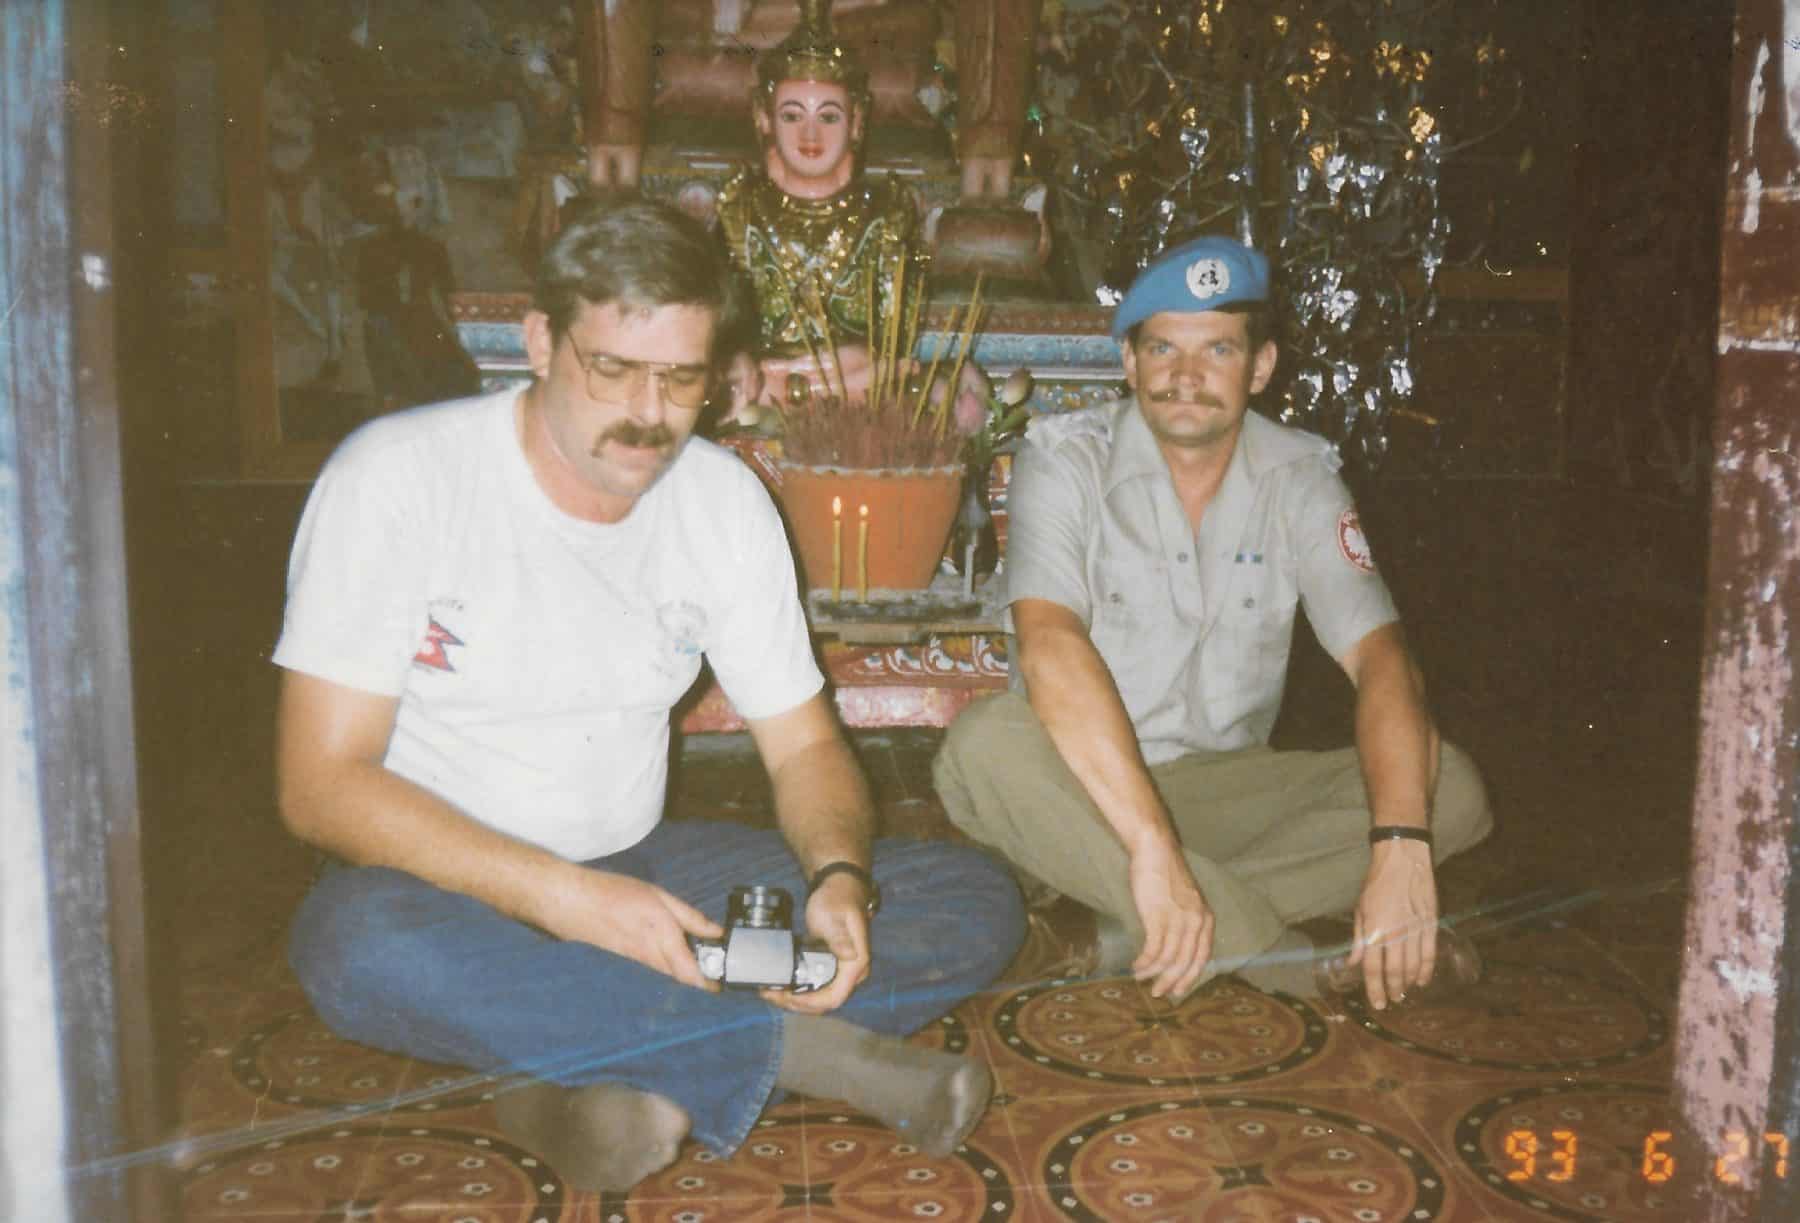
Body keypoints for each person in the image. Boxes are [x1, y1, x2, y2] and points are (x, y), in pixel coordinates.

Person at [274, 196, 1025, 1194]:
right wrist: (568, 900)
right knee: (355, 943)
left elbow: (804, 748)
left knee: (972, 895)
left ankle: (565, 1066)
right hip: (441, 882)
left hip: (638, 863)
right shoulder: (397, 479)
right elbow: (320, 786)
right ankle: (809, 1054)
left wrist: (840, 874)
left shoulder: (722, 500)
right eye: (613, 369)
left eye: (680, 379)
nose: (647, 411)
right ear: (541, 342)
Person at [932, 235, 1491, 1012]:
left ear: (1260, 366)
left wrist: (1400, 849)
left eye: (1218, 349)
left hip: (1224, 792)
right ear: (1129, 363)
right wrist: (1150, 844)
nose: (1185, 375)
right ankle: (1292, 958)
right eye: (1162, 347)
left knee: (1447, 786)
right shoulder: (1065, 462)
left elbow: (1382, 658)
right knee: (982, 744)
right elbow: (1049, 646)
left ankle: (1125, 923)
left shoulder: (1301, 477)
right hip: (1083, 786)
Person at [713, 0, 925, 412]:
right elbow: (722, 339)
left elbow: (895, 345)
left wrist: (852, 366)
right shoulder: (739, 213)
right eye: (792, 116)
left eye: (828, 118)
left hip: (859, 391)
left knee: (918, 385)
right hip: (760, 392)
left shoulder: (887, 216)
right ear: (764, 118)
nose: (810, 135)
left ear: (857, 121)